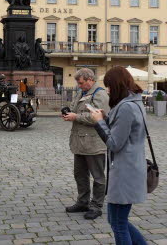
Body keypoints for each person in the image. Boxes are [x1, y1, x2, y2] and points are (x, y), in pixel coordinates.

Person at [89, 66, 147, 245]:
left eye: (109, 86)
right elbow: (122, 132)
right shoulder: (134, 102)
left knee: (119, 223)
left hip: (125, 171)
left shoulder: (126, 108)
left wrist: (99, 123)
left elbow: (114, 143)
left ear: (117, 85)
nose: (107, 90)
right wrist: (106, 119)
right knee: (116, 220)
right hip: (129, 167)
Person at [62, 68, 110, 220]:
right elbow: (76, 108)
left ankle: (96, 206)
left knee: (98, 177)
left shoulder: (100, 94)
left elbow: (98, 116)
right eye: (78, 83)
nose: (79, 85)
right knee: (80, 174)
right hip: (79, 142)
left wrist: (76, 117)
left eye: (81, 83)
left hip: (94, 143)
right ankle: (82, 202)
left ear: (90, 80)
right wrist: (68, 113)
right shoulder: (81, 93)